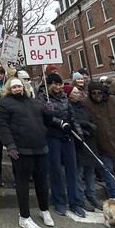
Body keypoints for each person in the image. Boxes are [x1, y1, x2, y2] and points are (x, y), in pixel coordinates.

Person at [0, 77, 54, 228]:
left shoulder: (34, 102)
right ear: (9, 88)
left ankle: (44, 210)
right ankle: (24, 217)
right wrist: (9, 144)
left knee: (42, 181)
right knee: (22, 184)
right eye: (14, 87)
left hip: (40, 148)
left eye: (19, 86)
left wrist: (49, 112)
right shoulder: (4, 103)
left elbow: (46, 122)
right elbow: (2, 126)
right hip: (21, 150)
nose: (17, 89)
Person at [38, 72, 85, 218]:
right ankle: (59, 201)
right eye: (55, 84)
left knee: (72, 170)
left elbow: (72, 117)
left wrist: (79, 133)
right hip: (52, 137)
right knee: (56, 170)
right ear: (49, 84)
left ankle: (75, 202)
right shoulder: (42, 97)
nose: (58, 87)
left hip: (67, 136)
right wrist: (57, 121)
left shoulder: (65, 98)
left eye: (60, 84)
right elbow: (44, 117)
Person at [66, 85, 102, 211]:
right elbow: (72, 120)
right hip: (78, 141)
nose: (78, 94)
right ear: (69, 94)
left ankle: (91, 195)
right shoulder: (68, 106)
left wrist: (91, 126)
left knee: (90, 171)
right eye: (75, 92)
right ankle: (81, 197)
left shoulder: (83, 106)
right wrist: (85, 125)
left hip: (90, 141)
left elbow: (91, 119)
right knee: (79, 172)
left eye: (79, 92)